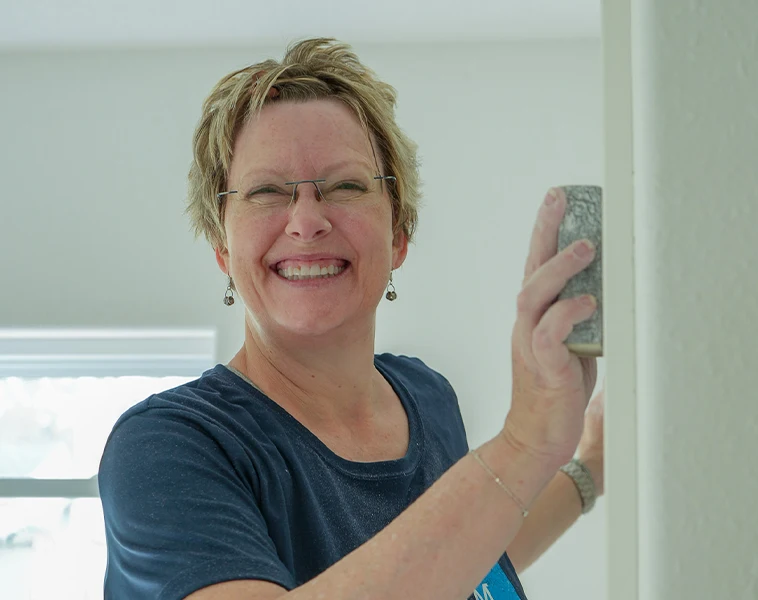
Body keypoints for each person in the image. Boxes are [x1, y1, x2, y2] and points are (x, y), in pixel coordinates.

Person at [98, 38, 606, 600]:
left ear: (399, 234)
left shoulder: (426, 393)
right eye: (266, 192)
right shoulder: (168, 447)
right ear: (221, 245)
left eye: (346, 185)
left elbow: (464, 564)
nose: (307, 220)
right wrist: (524, 442)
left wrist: (590, 464)